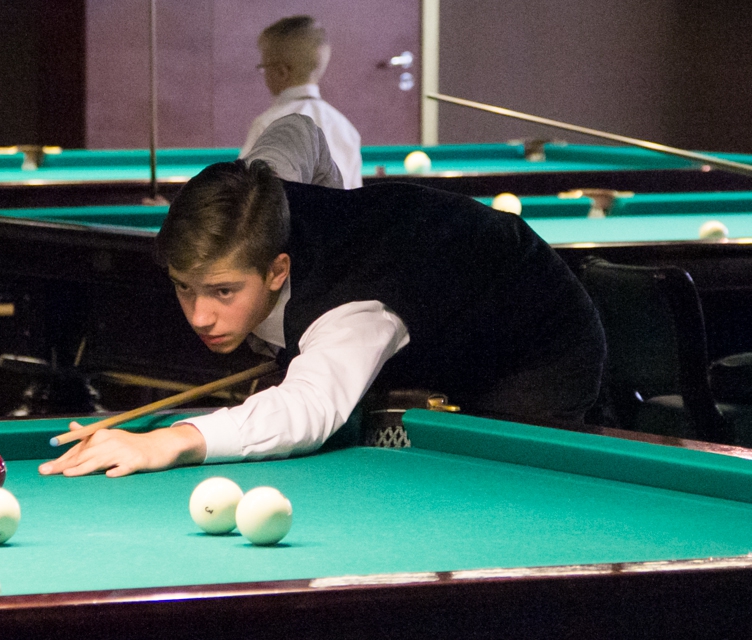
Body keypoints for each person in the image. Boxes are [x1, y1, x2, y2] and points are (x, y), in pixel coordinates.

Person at [40, 115, 605, 478]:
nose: (200, 316)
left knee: (494, 486)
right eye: (184, 288)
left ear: (277, 270)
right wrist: (339, 208)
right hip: (439, 302)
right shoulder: (262, 192)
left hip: (539, 340)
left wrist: (170, 443)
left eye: (223, 291)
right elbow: (300, 128)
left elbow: (307, 410)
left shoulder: (352, 310)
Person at [239, 16, 362, 189]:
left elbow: (243, 189)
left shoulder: (267, 124)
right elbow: (355, 195)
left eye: (264, 67)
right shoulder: (346, 128)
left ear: (281, 72)